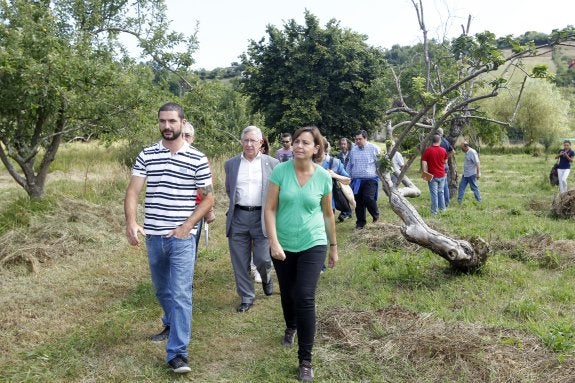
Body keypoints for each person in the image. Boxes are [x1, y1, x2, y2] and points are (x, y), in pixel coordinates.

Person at [124, 102, 214, 373]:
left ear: (182, 123)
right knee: (163, 291)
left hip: (182, 239)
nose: (167, 126)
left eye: (172, 121)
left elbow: (209, 197)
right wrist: (131, 222)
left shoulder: (197, 158)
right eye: (162, 121)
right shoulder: (147, 154)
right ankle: (173, 323)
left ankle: (177, 353)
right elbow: (133, 191)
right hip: (153, 236)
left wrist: (187, 226)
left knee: (180, 293)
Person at [264, 126, 338, 382]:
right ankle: (290, 325)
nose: (299, 146)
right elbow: (270, 209)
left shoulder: (324, 178)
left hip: (313, 242)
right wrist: (273, 242)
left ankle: (305, 359)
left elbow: (328, 215)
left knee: (305, 296)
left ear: (316, 148)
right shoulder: (280, 172)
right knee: (288, 293)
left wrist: (333, 247)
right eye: (297, 141)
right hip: (282, 243)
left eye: (306, 142)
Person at [225, 126, 279, 313]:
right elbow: (229, 190)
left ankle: (266, 277)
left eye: (253, 141)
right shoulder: (231, 164)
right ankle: (247, 297)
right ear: (241, 141)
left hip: (262, 217)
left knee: (263, 259)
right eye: (246, 140)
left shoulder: (272, 163)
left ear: (261, 143)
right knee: (239, 260)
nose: (249, 144)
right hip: (238, 216)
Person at [182, 122, 216, 253]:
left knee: (190, 246)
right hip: (171, 209)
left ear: (193, 138)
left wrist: (209, 209)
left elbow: (207, 187)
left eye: (188, 135)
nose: (184, 138)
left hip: (195, 209)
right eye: (182, 135)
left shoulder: (200, 158)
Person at [346, 130, 380, 229]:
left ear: (365, 138)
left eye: (359, 139)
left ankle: (376, 216)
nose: (357, 141)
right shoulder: (353, 150)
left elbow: (379, 164)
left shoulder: (374, 148)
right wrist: (347, 176)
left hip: (370, 179)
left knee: (368, 198)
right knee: (358, 202)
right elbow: (350, 165)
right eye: (356, 139)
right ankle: (360, 223)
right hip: (356, 181)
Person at [316, 137, 352, 222]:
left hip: (328, 204)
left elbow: (348, 180)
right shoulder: (307, 162)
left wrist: (335, 175)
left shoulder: (334, 162)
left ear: (324, 148)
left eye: (317, 147)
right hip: (310, 204)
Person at [421, 134, 448, 215]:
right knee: (441, 192)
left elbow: (424, 162)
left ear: (432, 141)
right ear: (439, 141)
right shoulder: (443, 150)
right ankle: (443, 210)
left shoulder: (428, 150)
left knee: (434, 194)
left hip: (432, 176)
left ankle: (434, 212)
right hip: (442, 175)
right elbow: (446, 160)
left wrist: (425, 173)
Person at [436, 128, 454, 207]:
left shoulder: (438, 141)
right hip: (444, 165)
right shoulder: (446, 141)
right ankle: (446, 202)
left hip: (439, 165)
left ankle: (441, 204)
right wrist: (446, 158)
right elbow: (453, 151)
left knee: (439, 185)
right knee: (445, 184)